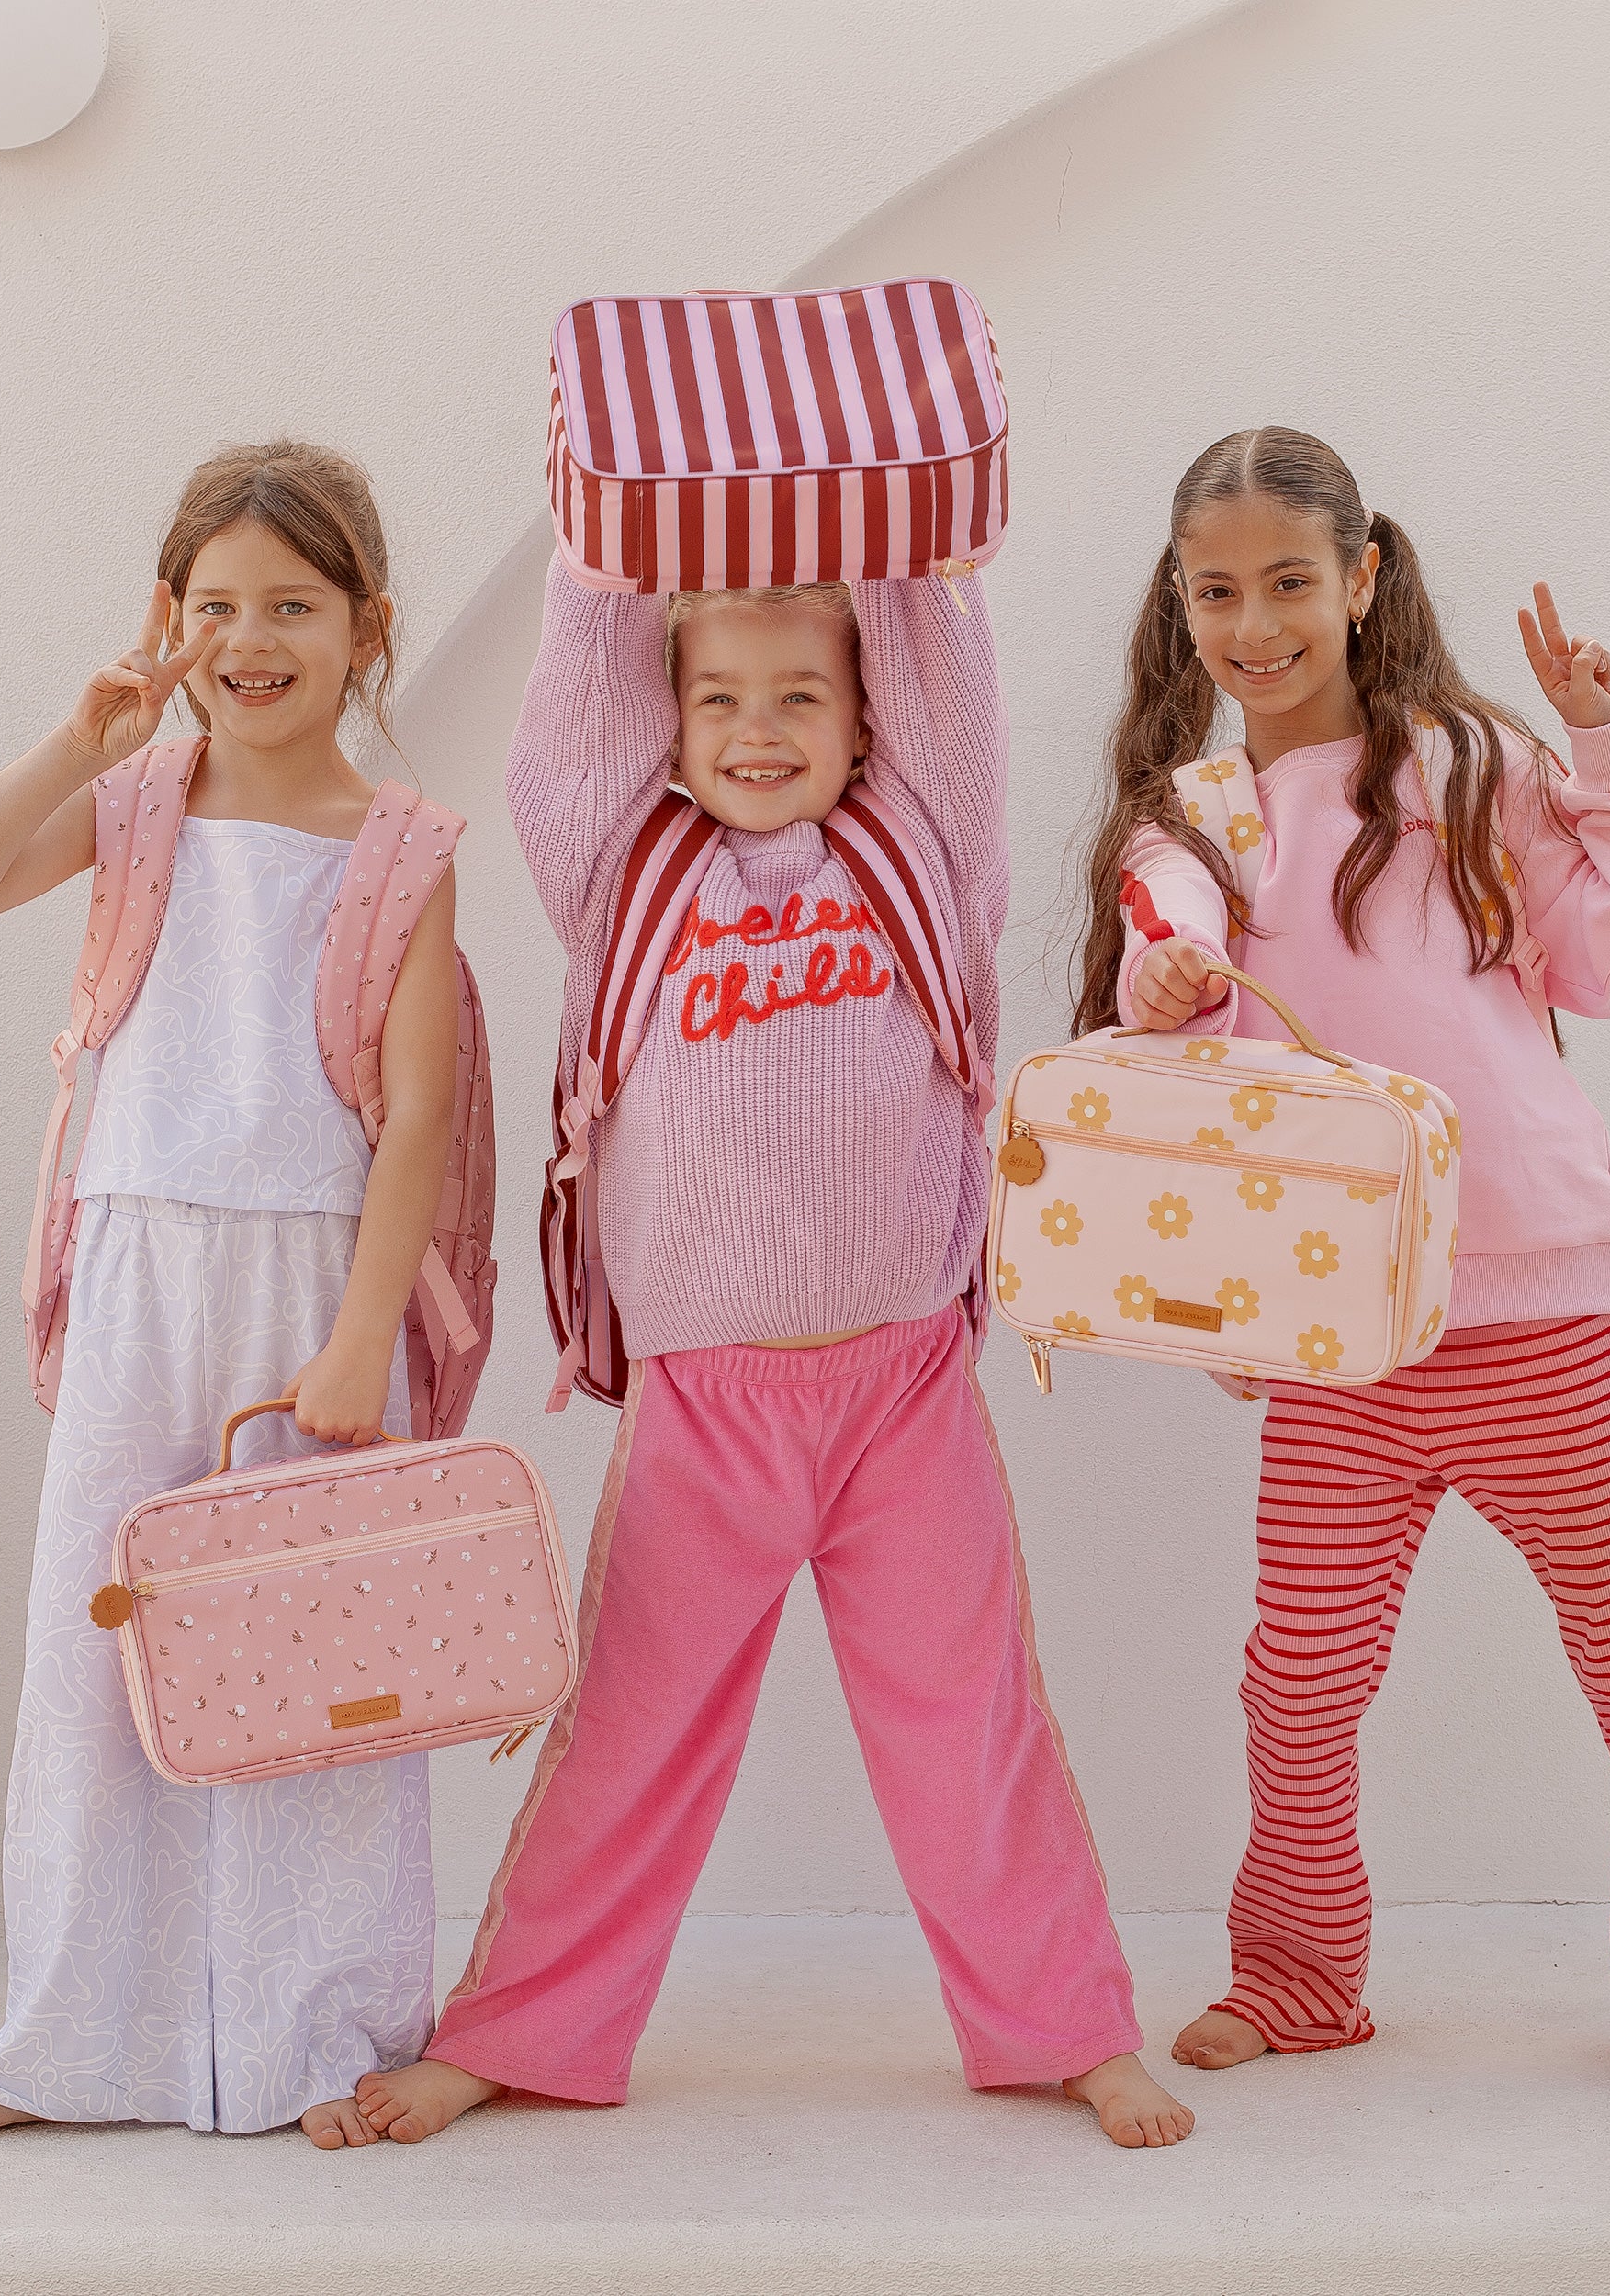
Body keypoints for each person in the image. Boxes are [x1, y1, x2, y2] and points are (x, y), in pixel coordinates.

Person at [356, 562, 1192, 2149]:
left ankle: (1067, 2027)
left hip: (903, 1394)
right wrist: (609, 554)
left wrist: (896, 548)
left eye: (801, 696)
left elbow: (948, 682)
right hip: (706, 1409)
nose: (756, 729)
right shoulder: (627, 869)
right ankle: (518, 2032)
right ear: (666, 721)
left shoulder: (923, 852)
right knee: (630, 1737)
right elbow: (569, 735)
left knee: (974, 1726)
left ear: (869, 711)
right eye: (719, 698)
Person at [1075, 426, 1610, 2110]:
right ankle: (1301, 1978)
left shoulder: (1470, 763)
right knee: (1299, 1678)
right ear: (1183, 602)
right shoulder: (1195, 814)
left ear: (1363, 579)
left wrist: (1608, 736)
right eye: (1219, 590)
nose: (1255, 624)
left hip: (1541, 1298)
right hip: (1345, 1333)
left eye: (1291, 584)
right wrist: (1164, 982)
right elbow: (1170, 976)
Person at [0, 441, 459, 2149]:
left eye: (292, 604)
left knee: (324, 1666)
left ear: (368, 629)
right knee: (105, 1651)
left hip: (312, 1282)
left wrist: (365, 1334)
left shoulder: (402, 842)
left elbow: (418, 1109)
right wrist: (89, 732)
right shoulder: (136, 806)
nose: (252, 637)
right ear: (170, 620)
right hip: (140, 1262)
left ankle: (318, 2039)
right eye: (215, 605)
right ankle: (72, 2045)